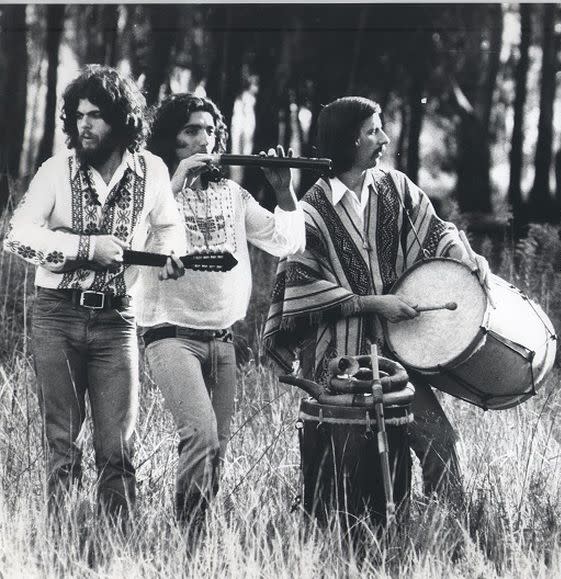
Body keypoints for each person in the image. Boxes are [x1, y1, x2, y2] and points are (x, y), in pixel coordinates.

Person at [264, 96, 489, 509]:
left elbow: (436, 232)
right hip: (338, 362)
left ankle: (455, 537)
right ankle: (340, 544)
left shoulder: (397, 187)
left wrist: (468, 259)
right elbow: (297, 284)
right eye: (372, 131)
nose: (384, 138)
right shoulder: (310, 211)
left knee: (438, 439)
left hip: (399, 351)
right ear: (348, 141)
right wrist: (371, 303)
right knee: (349, 461)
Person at [2, 65, 185, 527]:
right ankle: (58, 549)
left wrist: (167, 254)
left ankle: (116, 552)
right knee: (61, 447)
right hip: (57, 317)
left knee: (118, 449)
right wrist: (86, 247)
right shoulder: (55, 171)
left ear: (122, 120)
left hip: (117, 321)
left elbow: (168, 226)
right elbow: (17, 234)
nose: (84, 125)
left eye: (96, 115)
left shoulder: (153, 171)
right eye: (78, 115)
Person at [140, 93, 305, 536]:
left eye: (210, 131)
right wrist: (173, 184)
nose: (203, 141)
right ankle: (187, 538)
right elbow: (131, 238)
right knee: (201, 435)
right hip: (170, 336)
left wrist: (283, 189)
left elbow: (286, 243)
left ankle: (195, 542)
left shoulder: (234, 194)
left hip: (223, 340)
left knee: (218, 450)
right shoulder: (153, 190)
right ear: (169, 141)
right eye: (191, 131)